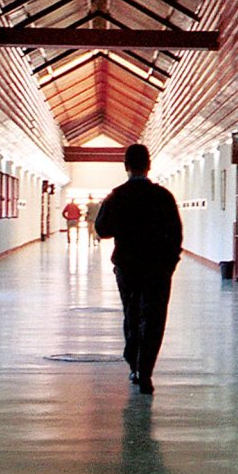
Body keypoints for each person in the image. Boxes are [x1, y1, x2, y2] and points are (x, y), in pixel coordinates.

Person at [94, 144, 182, 394]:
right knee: (155, 317)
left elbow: (102, 229)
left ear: (126, 167)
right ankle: (146, 372)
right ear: (149, 166)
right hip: (158, 267)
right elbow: (176, 233)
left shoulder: (117, 196)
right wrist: (170, 263)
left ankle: (133, 363)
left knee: (132, 314)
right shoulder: (163, 196)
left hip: (128, 266)